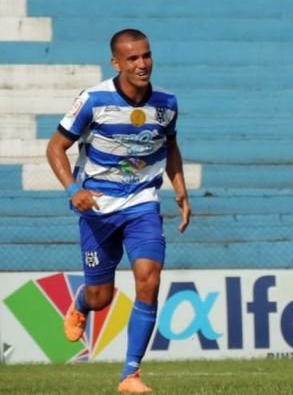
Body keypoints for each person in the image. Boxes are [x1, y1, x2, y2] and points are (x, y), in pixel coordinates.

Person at [46, 28, 191, 393]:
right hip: (97, 208)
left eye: (146, 55)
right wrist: (73, 189)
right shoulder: (94, 100)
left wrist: (181, 191)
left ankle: (130, 374)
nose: (142, 64)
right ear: (116, 62)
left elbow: (170, 146)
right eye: (132, 58)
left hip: (142, 202)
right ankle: (81, 301)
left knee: (150, 278)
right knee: (102, 297)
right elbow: (55, 148)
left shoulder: (167, 104)